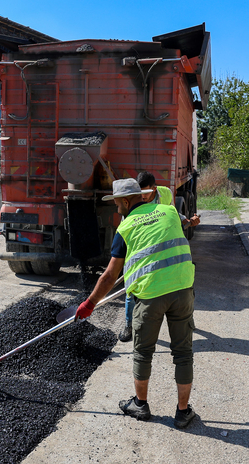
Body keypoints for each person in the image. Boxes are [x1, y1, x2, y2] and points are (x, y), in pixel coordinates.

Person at [75, 178, 196, 428]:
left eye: (117, 202)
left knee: (143, 352)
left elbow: (110, 276)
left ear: (127, 201)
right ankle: (183, 412)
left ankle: (140, 405)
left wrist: (89, 303)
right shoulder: (169, 210)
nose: (115, 206)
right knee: (183, 353)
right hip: (183, 290)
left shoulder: (126, 227)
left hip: (150, 295)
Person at [116, 172, 200, 343]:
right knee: (131, 288)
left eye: (145, 193)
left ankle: (186, 319)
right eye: (139, 193)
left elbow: (172, 215)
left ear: (153, 189)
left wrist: (188, 221)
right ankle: (129, 325)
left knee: (179, 283)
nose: (141, 197)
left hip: (160, 244)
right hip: (140, 245)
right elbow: (128, 226)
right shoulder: (131, 200)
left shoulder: (165, 194)